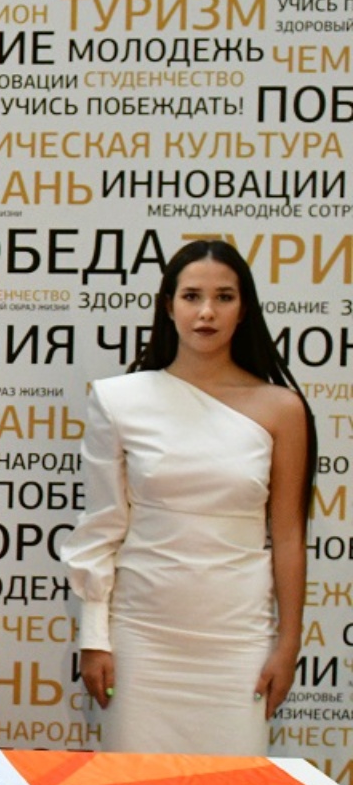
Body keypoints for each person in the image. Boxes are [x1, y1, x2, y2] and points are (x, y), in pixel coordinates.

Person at [62, 240, 313, 756]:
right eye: (192, 296)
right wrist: (95, 637)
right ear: (168, 306)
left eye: (224, 297)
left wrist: (288, 644)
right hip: (141, 638)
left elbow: (289, 535)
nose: (206, 312)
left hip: (238, 643)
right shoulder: (119, 400)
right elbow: (102, 527)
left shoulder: (282, 409)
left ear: (244, 309)